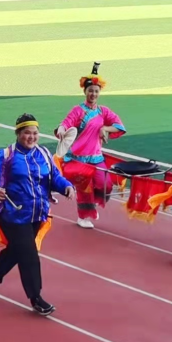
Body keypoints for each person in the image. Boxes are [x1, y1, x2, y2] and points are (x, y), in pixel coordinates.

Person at [0, 113, 74, 316]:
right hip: (13, 215)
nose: (31, 137)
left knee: (15, 252)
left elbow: (55, 177)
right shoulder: (6, 156)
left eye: (35, 133)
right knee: (29, 255)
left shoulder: (44, 154)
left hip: (37, 214)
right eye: (27, 133)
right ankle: (36, 298)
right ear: (18, 134)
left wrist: (67, 187)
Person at [55, 63, 126, 229]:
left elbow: (120, 127)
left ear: (99, 92)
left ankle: (93, 205)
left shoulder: (103, 111)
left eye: (96, 91)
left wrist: (105, 128)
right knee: (84, 188)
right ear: (85, 92)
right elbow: (66, 123)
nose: (93, 94)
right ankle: (84, 216)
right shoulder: (78, 110)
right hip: (78, 158)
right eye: (90, 90)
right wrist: (61, 129)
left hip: (96, 157)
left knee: (105, 184)